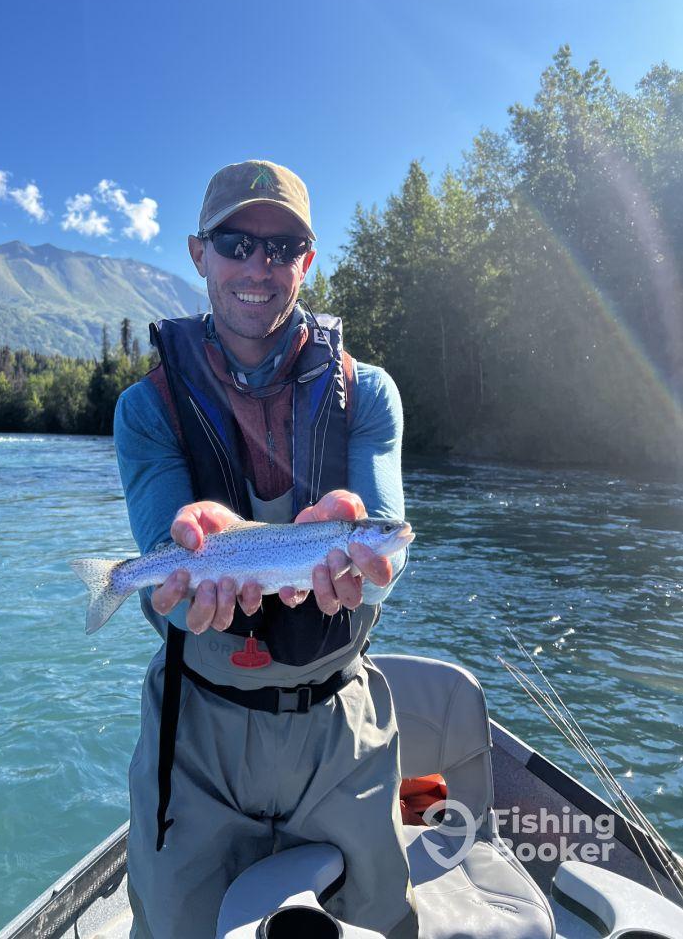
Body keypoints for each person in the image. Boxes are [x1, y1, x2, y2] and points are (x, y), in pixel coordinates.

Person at [114, 159, 415, 939]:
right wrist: (183, 563)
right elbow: (165, 562)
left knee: (377, 923)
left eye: (282, 249)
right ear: (198, 253)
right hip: (195, 738)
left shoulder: (369, 392)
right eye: (236, 242)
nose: (259, 266)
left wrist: (374, 566)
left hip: (337, 731)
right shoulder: (145, 408)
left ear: (306, 262)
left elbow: (386, 552)